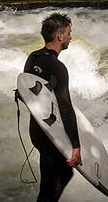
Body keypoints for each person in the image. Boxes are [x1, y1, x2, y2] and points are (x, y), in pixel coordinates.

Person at [23, 13, 82, 202]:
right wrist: (76, 145)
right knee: (62, 176)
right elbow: (65, 107)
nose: (70, 37)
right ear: (60, 37)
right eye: (69, 33)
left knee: (48, 183)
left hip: (36, 130)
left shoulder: (33, 57)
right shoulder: (58, 67)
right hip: (50, 135)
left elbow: (26, 94)